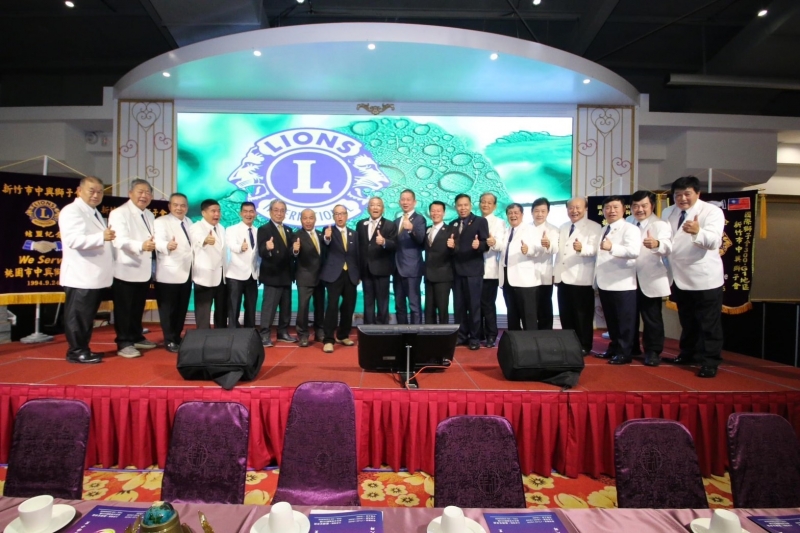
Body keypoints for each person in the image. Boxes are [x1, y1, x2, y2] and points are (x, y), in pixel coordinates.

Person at [662, 176, 725, 378]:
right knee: (687, 320)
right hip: (679, 276)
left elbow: (714, 242)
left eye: (687, 194)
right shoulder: (668, 211)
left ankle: (710, 361)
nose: (682, 199)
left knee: (708, 323)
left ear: (698, 193)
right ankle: (688, 354)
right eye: (678, 195)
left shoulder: (712, 211)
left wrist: (698, 232)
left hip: (704, 277)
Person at [58, 176, 114, 364]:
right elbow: (73, 240)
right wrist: (101, 237)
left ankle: (83, 348)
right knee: (78, 316)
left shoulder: (94, 212)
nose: (96, 195)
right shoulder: (72, 211)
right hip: (80, 274)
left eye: (100, 192)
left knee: (86, 316)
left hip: (94, 275)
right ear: (79, 190)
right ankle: (76, 351)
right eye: (92, 191)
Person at [108, 178, 157, 358]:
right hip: (126, 268)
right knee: (124, 308)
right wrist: (141, 246)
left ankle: (136, 336)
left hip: (143, 269)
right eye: (140, 192)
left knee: (137, 306)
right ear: (130, 193)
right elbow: (119, 240)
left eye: (147, 192)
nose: (144, 196)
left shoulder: (149, 215)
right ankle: (124, 342)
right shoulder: (119, 213)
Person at [627, 190, 672, 367]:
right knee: (629, 315)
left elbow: (668, 246)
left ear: (652, 206)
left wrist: (657, 244)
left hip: (651, 277)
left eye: (644, 205)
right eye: (635, 206)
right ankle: (631, 347)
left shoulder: (660, 224)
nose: (639, 209)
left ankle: (653, 351)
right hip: (628, 277)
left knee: (651, 317)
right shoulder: (627, 222)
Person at [593, 196, 641, 365]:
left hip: (623, 283)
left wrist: (612, 247)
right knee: (612, 320)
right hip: (605, 282)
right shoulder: (603, 229)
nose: (611, 211)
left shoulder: (630, 229)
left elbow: (634, 251)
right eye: (608, 208)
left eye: (615, 207)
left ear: (624, 209)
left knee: (624, 321)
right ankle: (614, 348)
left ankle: (625, 352)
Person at [554, 197, 602, 355]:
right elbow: (559, 253)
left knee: (582, 315)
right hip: (563, 278)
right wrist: (555, 273)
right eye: (571, 208)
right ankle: (569, 344)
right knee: (566, 314)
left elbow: (596, 250)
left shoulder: (594, 227)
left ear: (586, 208)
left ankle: (584, 345)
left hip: (582, 278)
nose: (574, 211)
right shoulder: (563, 227)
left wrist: (582, 248)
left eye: (578, 207)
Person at [154, 192, 193, 353]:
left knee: (181, 308)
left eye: (183, 205)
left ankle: (177, 336)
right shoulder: (161, 222)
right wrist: (166, 245)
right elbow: (157, 241)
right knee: (168, 310)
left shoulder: (189, 222)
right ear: (169, 206)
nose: (179, 208)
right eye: (176, 205)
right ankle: (169, 339)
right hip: (168, 273)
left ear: (187, 208)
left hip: (186, 272)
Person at [449, 194, 489, 350]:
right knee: (458, 306)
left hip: (473, 271)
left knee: (474, 306)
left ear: (471, 205)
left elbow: (486, 244)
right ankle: (461, 336)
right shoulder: (453, 224)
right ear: (455, 207)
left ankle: (474, 338)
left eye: (465, 205)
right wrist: (451, 246)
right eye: (460, 205)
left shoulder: (480, 221)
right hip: (456, 271)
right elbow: (452, 248)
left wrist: (479, 245)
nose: (463, 208)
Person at [320, 205, 360, 353]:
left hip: (351, 274)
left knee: (348, 306)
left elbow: (358, 255)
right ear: (333, 216)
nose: (340, 216)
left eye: (342, 213)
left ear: (347, 215)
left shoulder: (354, 234)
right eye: (337, 214)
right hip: (333, 275)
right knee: (332, 306)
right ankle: (328, 339)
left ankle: (343, 335)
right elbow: (325, 243)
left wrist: (359, 274)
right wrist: (327, 237)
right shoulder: (328, 231)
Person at [257, 199, 297, 346]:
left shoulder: (288, 230)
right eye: (276, 210)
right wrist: (267, 248)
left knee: (286, 307)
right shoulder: (264, 229)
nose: (279, 213)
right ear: (270, 212)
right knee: (269, 307)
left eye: (282, 210)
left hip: (286, 275)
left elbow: (291, 252)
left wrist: (295, 250)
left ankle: (282, 332)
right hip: (272, 275)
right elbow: (261, 251)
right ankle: (264, 335)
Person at [497, 203, 539, 330]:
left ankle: (531, 341)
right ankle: (514, 341)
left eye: (516, 213)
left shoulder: (531, 229)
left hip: (524, 280)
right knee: (512, 315)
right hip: (507, 279)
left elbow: (537, 249)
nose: (513, 215)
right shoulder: (506, 231)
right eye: (510, 213)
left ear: (522, 214)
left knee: (528, 316)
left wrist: (528, 250)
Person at [356, 197, 397, 325]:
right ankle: (368, 328)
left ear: (383, 209)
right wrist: (358, 272)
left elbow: (395, 245)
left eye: (378, 205)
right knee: (368, 300)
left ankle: (382, 329)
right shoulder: (361, 224)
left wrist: (384, 242)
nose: (375, 207)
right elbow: (358, 248)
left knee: (382, 302)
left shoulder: (390, 225)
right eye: (372, 205)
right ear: (368, 208)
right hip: (365, 270)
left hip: (382, 270)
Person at [189, 199, 227, 329]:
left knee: (221, 311)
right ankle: (202, 335)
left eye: (218, 211)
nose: (217, 214)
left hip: (221, 277)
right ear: (203, 213)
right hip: (204, 277)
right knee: (203, 312)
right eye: (213, 211)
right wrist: (205, 240)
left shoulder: (221, 228)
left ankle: (221, 335)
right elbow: (198, 239)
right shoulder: (196, 227)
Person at [293, 209, 327, 347]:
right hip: (305, 276)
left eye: (311, 218)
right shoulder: (296, 235)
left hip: (320, 277)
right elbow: (293, 253)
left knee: (320, 306)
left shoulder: (321, 235)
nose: (308, 221)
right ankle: (303, 334)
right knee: (303, 307)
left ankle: (319, 332)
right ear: (301, 220)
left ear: (315, 219)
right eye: (305, 218)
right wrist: (295, 250)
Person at [393, 189, 426, 324]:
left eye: (408, 199)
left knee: (414, 304)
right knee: (399, 305)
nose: (405, 202)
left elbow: (421, 240)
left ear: (414, 202)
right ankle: (402, 333)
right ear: (399, 202)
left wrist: (412, 229)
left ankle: (415, 333)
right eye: (403, 199)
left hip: (412, 269)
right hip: (397, 269)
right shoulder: (396, 221)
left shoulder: (419, 219)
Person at [226, 201, 260, 329]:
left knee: (251, 308)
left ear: (255, 214)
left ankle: (250, 333)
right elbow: (231, 245)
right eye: (245, 211)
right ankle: (232, 334)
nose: (248, 214)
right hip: (235, 275)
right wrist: (240, 247)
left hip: (252, 275)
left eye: (251, 211)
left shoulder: (258, 231)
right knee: (234, 307)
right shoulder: (231, 229)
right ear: (240, 213)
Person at [479, 192, 505, 347]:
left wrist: (493, 242)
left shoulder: (499, 223)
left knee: (488, 304)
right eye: (483, 202)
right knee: (476, 305)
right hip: (474, 271)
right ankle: (479, 333)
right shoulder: (475, 221)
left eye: (489, 202)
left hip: (490, 271)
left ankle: (491, 334)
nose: (486, 205)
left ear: (494, 206)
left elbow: (502, 245)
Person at [530, 198, 559, 330]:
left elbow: (556, 249)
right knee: (530, 308)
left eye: (543, 211)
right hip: (527, 275)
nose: (540, 214)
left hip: (544, 275)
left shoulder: (553, 229)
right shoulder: (526, 228)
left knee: (544, 306)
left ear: (548, 212)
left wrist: (548, 245)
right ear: (531, 212)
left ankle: (546, 334)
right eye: (537, 211)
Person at [424, 201, 454, 325]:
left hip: (443, 276)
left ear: (444, 213)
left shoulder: (450, 230)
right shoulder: (427, 229)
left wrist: (454, 246)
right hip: (428, 275)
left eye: (438, 211)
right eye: (433, 211)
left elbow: (457, 251)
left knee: (442, 310)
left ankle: (444, 335)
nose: (435, 213)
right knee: (429, 310)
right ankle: (428, 334)